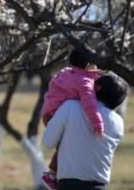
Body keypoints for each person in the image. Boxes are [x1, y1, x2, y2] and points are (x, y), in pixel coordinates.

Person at [42, 72, 128, 190]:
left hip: (69, 185)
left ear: (97, 88)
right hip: (100, 186)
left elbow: (48, 142)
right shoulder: (119, 122)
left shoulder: (71, 106)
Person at [41, 48, 103, 189]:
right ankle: (51, 175)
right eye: (95, 63)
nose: (97, 66)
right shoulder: (84, 82)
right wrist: (98, 124)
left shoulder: (65, 73)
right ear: (88, 65)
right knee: (64, 146)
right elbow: (90, 105)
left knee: (63, 145)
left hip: (48, 112)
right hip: (55, 116)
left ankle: (52, 173)